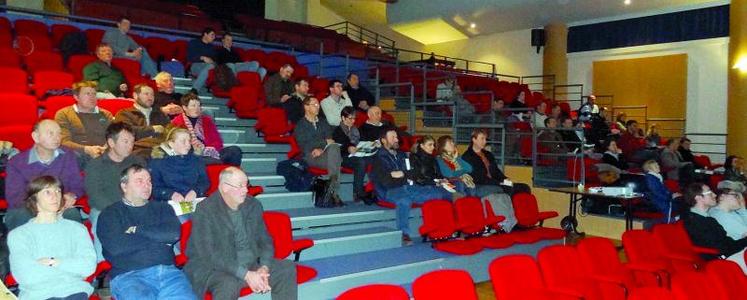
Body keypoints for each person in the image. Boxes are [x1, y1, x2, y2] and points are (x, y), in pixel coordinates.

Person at [185, 167, 298, 299]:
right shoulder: (206, 209)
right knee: (228, 284)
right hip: (214, 268)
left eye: (246, 185)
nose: (246, 190)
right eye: (240, 186)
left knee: (286, 268)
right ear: (224, 187)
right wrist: (246, 275)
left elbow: (265, 241)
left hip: (249, 263)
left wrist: (264, 267)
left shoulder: (253, 204)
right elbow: (209, 254)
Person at [97, 165, 197, 299]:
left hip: (169, 274)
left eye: (149, 181)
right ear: (124, 186)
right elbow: (117, 247)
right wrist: (159, 241)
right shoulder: (110, 214)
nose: (147, 185)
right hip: (130, 277)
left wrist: (135, 230)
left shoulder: (163, 208)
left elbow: (172, 235)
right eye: (140, 181)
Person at [8, 176, 96, 300]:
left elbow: (88, 267)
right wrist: (70, 267)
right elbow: (25, 276)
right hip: (37, 296)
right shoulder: (19, 235)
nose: (55, 196)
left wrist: (53, 261)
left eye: (58, 191)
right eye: (47, 192)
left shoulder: (77, 229)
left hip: (75, 291)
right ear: (34, 198)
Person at [371, 128, 452, 243]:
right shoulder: (378, 158)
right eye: (393, 137)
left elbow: (412, 173)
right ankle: (404, 234)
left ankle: (441, 229)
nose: (396, 139)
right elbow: (386, 180)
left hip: (408, 187)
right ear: (384, 141)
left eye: (396, 137)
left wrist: (400, 174)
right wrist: (402, 175)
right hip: (390, 190)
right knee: (405, 200)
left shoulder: (401, 154)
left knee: (438, 194)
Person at [4, 120, 84, 230]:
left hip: (59, 205)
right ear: (35, 137)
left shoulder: (68, 155)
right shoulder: (17, 162)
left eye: (59, 133)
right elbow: (15, 196)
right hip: (28, 207)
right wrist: (45, 206)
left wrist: (72, 195)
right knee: (21, 216)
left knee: (72, 215)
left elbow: (77, 185)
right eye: (51, 133)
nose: (57, 138)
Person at [84, 122, 145, 261]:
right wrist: (119, 210)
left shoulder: (137, 161)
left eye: (132, 141)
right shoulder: (95, 165)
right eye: (125, 141)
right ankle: (101, 264)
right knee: (100, 223)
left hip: (134, 206)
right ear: (111, 142)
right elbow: (95, 196)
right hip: (105, 208)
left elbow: (144, 188)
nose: (130, 145)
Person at [681, 182, 747, 273]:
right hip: (723, 259)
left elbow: (727, 242)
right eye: (709, 193)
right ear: (698, 198)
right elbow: (723, 248)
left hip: (730, 253)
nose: (715, 195)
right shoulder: (695, 222)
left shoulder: (707, 218)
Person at [293, 97, 344, 206]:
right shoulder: (300, 125)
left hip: (325, 154)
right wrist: (323, 143)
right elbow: (304, 144)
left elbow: (330, 140)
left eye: (318, 105)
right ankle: (333, 192)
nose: (318, 107)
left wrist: (321, 146)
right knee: (335, 159)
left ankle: (332, 192)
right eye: (314, 104)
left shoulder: (323, 122)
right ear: (306, 107)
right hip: (310, 155)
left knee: (334, 148)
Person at [172, 93, 243, 166]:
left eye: (199, 106)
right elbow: (176, 145)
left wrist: (206, 148)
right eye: (193, 106)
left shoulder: (207, 120)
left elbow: (218, 142)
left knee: (235, 150)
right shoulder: (176, 122)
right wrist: (194, 148)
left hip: (210, 152)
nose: (197, 108)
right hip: (191, 155)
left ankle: (233, 175)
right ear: (184, 107)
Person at [55, 80, 114, 162]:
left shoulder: (106, 114)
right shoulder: (64, 114)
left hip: (104, 154)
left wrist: (104, 149)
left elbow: (114, 137)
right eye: (87, 94)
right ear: (76, 97)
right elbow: (63, 141)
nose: (92, 97)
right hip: (77, 155)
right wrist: (86, 149)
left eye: (94, 94)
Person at [148, 127, 209, 202]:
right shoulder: (157, 163)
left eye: (189, 141)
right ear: (171, 143)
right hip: (168, 204)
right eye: (183, 141)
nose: (188, 145)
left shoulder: (196, 160)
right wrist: (171, 194)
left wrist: (195, 191)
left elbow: (204, 181)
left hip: (195, 201)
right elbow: (154, 187)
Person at [115, 84, 170, 157]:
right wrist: (152, 129)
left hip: (159, 149)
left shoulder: (160, 114)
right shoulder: (125, 113)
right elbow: (125, 132)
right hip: (136, 150)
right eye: (146, 94)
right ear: (135, 95)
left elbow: (170, 131)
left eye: (152, 95)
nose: (150, 97)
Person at [192, 33, 261, 91]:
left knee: (258, 65)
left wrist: (245, 63)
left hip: (238, 66)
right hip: (226, 68)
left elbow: (240, 62)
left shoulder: (235, 52)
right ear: (223, 40)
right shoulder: (218, 50)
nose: (230, 42)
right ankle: (235, 86)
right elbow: (217, 63)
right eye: (228, 40)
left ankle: (251, 87)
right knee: (230, 65)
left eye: (231, 40)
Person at [333, 107, 372, 203]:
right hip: (343, 157)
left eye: (354, 118)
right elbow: (339, 147)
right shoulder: (337, 131)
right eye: (350, 118)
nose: (353, 121)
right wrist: (349, 148)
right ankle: (358, 191)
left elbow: (361, 141)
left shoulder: (356, 130)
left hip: (356, 154)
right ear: (343, 118)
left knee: (374, 159)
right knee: (361, 162)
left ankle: (373, 189)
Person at [461, 129, 513, 197]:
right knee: (506, 188)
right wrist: (499, 182)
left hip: (494, 182)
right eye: (482, 139)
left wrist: (505, 179)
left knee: (523, 187)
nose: (485, 141)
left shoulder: (488, 154)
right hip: (479, 184)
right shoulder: (467, 157)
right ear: (474, 140)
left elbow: (496, 171)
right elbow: (478, 177)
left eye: (485, 139)